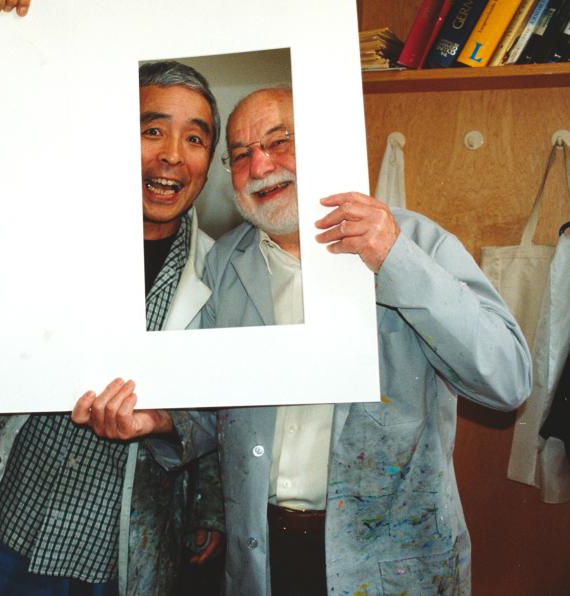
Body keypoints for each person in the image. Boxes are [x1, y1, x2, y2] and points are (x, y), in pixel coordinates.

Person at [73, 87, 533, 595]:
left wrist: (397, 260)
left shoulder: (413, 241)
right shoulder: (223, 264)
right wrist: (158, 421)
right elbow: (213, 410)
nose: (261, 164)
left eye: (280, 141)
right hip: (263, 561)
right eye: (241, 154)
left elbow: (507, 380)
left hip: (392, 569)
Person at [0, 61, 225, 596]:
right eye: (151, 130)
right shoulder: (28, 229)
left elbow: (228, 409)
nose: (172, 154)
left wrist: (164, 425)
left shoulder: (222, 275)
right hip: (3, 528)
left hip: (112, 555)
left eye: (194, 138)